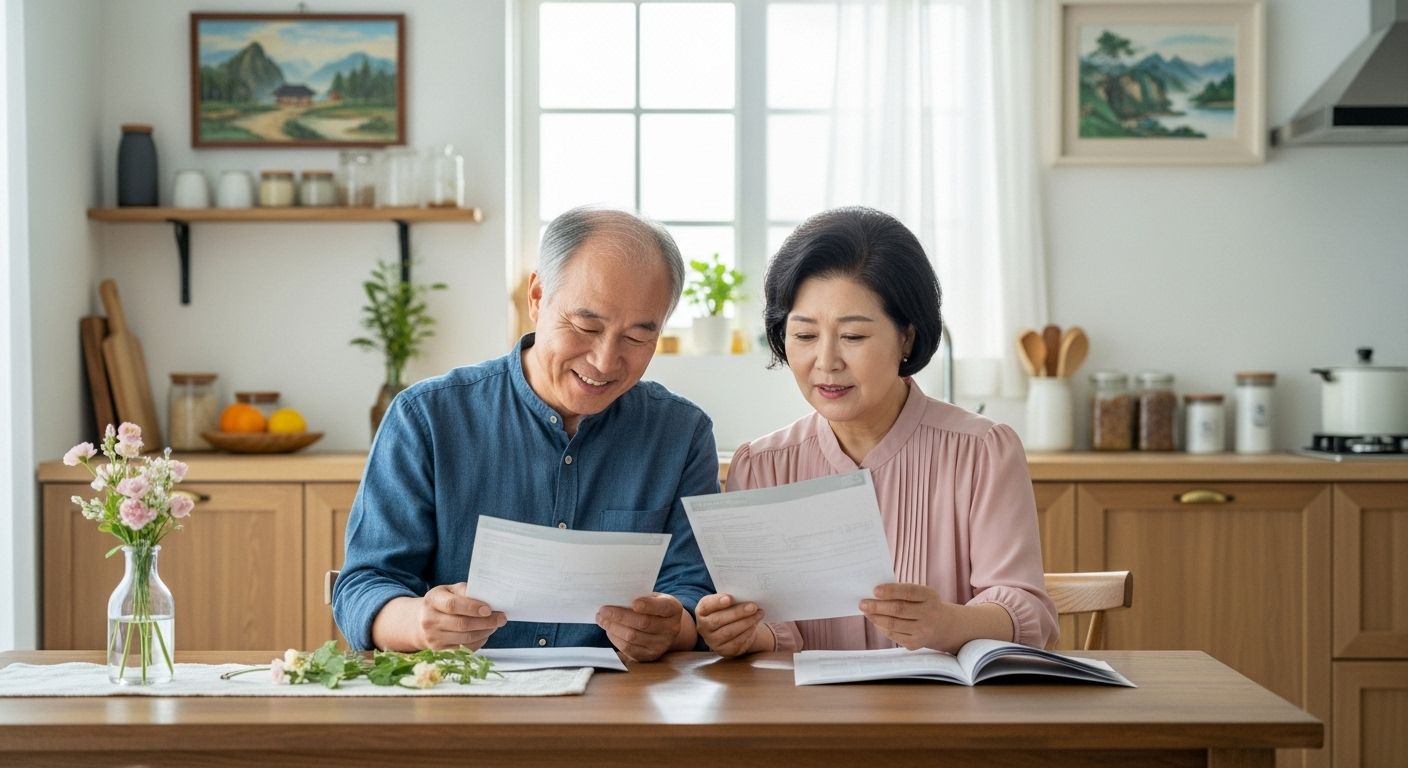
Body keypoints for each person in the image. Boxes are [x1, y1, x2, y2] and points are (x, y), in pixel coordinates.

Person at [333, 206, 718, 661]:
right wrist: (421, 623)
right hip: (461, 697)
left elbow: (693, 590)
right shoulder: (427, 417)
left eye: (636, 338)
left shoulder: (681, 433)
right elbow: (364, 584)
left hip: (621, 705)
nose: (604, 360)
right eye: (586, 326)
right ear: (537, 296)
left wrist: (671, 625)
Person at [695, 206, 1058, 656]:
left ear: (906, 337)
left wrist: (949, 622)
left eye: (853, 337)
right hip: (811, 720)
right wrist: (741, 632)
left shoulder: (982, 450)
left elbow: (1027, 609)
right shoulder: (762, 466)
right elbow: (777, 630)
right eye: (805, 336)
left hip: (944, 717)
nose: (826, 362)